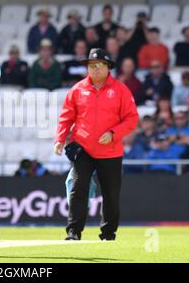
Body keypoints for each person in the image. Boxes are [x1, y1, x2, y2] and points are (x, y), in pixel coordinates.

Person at [54, 48, 139, 241]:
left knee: (111, 194)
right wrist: (60, 139)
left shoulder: (121, 90)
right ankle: (73, 232)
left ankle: (108, 234)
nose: (94, 69)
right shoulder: (77, 89)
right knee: (78, 189)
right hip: (83, 149)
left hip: (110, 151)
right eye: (91, 66)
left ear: (108, 67)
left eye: (99, 65)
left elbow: (132, 118)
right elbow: (66, 117)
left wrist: (113, 133)